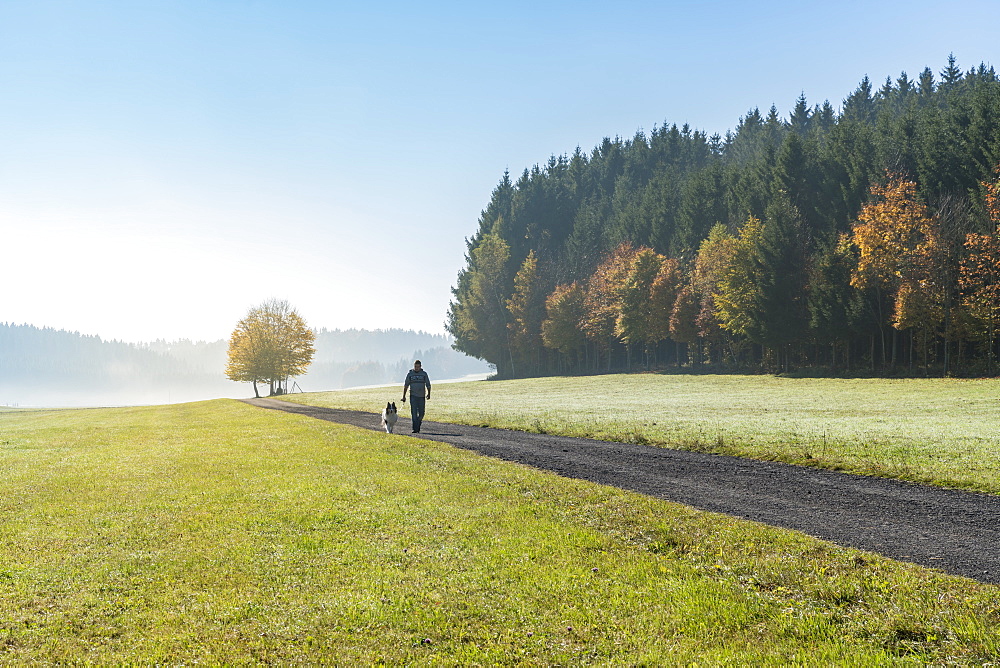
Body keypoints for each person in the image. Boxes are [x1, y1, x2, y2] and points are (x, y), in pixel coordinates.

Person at [401, 359, 430, 433]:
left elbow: (428, 385)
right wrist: (403, 396)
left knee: (421, 413)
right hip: (413, 396)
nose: (416, 368)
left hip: (421, 396)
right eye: (415, 367)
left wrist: (428, 394)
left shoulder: (424, 374)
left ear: (420, 366)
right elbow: (406, 385)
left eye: (418, 367)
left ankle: (419, 423)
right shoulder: (410, 374)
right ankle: (415, 428)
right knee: (414, 413)